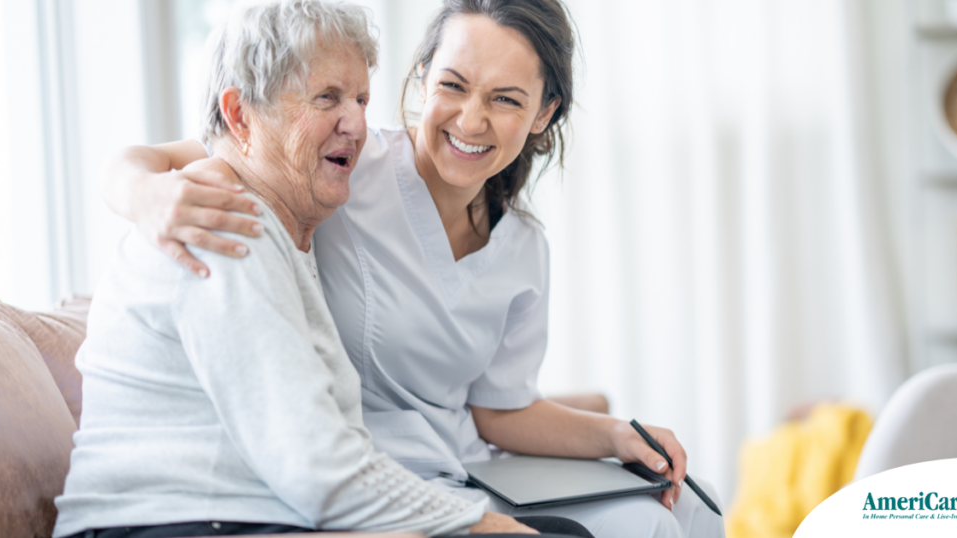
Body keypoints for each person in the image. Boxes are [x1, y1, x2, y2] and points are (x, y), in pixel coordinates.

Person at [102, 1, 726, 537]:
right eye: (453, 85)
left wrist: (614, 435)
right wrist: (141, 193)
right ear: (423, 78)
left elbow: (498, 408)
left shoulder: (523, 248)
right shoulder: (337, 164)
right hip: (369, 479)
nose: (471, 120)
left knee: (687, 514)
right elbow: (216, 150)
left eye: (505, 99)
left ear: (543, 114)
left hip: (465, 469)